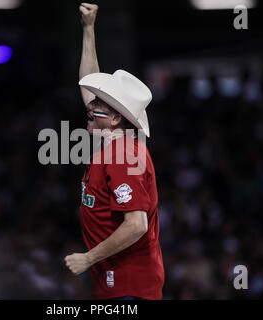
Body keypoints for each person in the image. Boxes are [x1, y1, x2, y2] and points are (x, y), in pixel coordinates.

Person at [64, 3, 164, 300]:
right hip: (116, 285)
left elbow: (136, 225)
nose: (89, 106)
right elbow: (88, 83)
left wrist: (88, 258)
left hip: (130, 289)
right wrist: (88, 30)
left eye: (98, 106)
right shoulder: (110, 142)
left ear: (116, 118)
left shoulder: (122, 155)